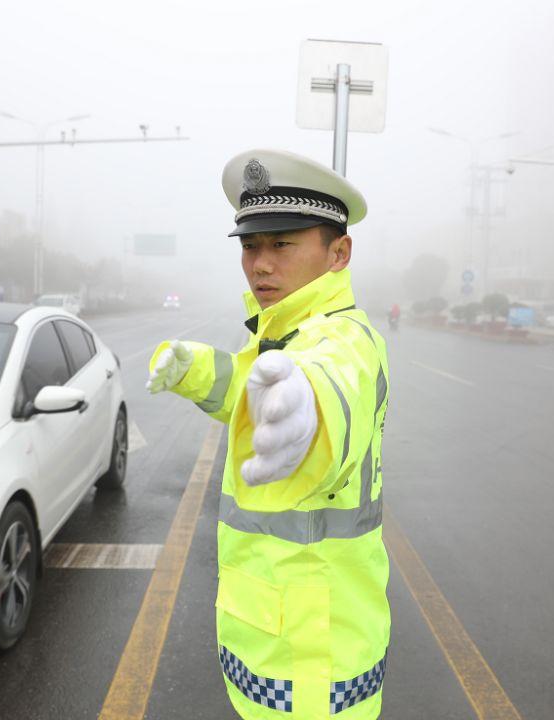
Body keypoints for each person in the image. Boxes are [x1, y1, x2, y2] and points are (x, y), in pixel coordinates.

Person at [146, 149, 391, 719]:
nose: (260, 264)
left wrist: (310, 411)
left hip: (313, 664)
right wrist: (199, 369)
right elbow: (253, 399)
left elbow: (331, 389)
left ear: (339, 253)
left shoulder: (342, 341)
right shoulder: (280, 337)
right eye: (251, 246)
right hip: (263, 639)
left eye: (282, 244)